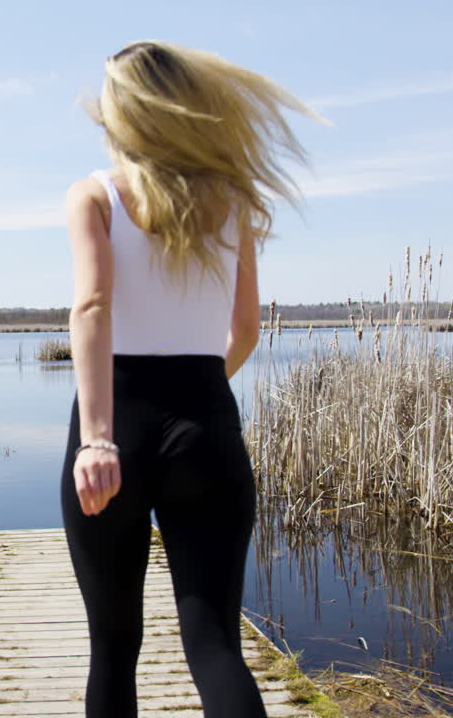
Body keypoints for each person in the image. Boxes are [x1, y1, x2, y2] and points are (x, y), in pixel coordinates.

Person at [60, 40, 320, 718]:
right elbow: (246, 330)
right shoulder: (230, 203)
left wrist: (97, 440)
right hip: (205, 418)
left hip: (114, 421)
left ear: (123, 114)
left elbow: (92, 306)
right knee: (215, 647)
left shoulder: (94, 196)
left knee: (113, 649)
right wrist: (198, 389)